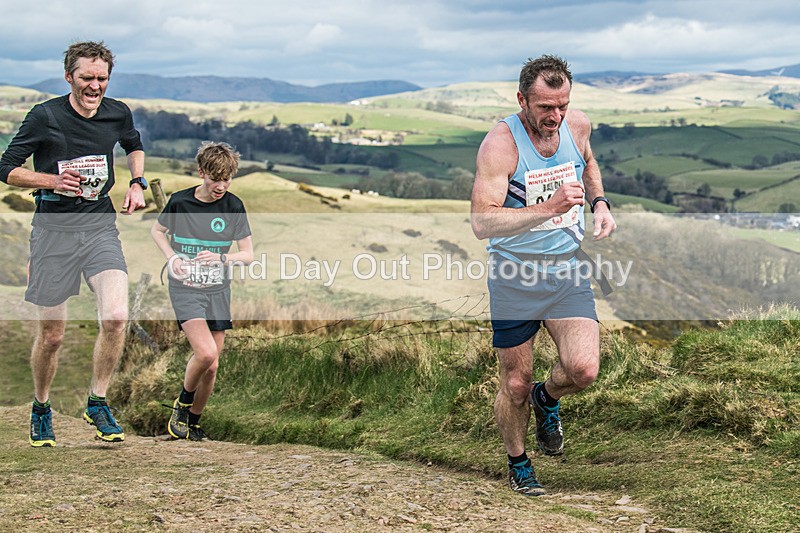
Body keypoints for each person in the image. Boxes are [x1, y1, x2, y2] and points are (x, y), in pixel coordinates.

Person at [470, 55, 616, 495]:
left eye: (562, 106)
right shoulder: (501, 144)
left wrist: (601, 203)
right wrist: (550, 208)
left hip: (566, 269)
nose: (555, 118)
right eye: (544, 108)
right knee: (514, 382)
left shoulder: (577, 126)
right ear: (522, 100)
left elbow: (587, 163)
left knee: (583, 369)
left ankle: (546, 397)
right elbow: (482, 222)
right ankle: (518, 463)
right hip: (514, 276)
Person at [0, 41, 147, 447]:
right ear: (69, 77)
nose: (95, 86)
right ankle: (41, 408)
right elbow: (5, 167)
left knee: (116, 318)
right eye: (87, 78)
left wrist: (137, 182)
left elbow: (133, 145)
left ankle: (97, 402)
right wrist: (51, 180)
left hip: (100, 226)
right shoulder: (44, 116)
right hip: (53, 232)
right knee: (52, 336)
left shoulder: (118, 111)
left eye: (102, 78)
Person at [151, 141, 253, 441]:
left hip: (218, 290)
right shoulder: (180, 202)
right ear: (201, 173)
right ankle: (182, 405)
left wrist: (223, 258)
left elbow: (248, 255)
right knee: (205, 353)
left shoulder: (234, 206)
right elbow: (157, 231)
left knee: (212, 366)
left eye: (226, 179)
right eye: (214, 178)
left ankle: (193, 423)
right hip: (186, 288)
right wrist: (172, 258)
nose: (220, 186)